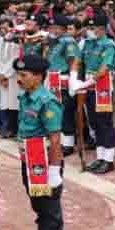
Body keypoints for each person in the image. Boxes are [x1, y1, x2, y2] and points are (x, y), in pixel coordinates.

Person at [14, 55, 65, 230]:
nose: (20, 79)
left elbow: (55, 138)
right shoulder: (26, 97)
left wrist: (54, 171)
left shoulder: (47, 101)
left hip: (45, 163)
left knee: (50, 208)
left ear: (37, 77)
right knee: (39, 206)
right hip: (31, 160)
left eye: (24, 75)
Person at [71, 14, 115, 174]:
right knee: (94, 122)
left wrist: (84, 83)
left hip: (102, 86)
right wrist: (73, 78)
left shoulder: (108, 45)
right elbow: (77, 60)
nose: (89, 31)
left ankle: (109, 159)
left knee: (105, 122)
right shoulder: (87, 43)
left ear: (103, 29)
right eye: (89, 28)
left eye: (92, 28)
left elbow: (104, 69)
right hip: (89, 85)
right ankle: (100, 157)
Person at [46, 15, 80, 156]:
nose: (53, 30)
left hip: (64, 78)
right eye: (52, 27)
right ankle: (59, 142)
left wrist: (72, 79)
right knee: (56, 111)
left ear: (63, 29)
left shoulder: (68, 41)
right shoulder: (56, 42)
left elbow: (73, 60)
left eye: (56, 28)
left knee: (66, 112)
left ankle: (68, 144)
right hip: (54, 78)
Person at [0, 19, 21, 138]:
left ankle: (15, 128)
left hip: (13, 77)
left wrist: (5, 75)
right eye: (1, 28)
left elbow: (15, 60)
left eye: (6, 28)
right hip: (1, 78)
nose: (3, 31)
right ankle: (7, 128)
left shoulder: (16, 43)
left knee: (15, 103)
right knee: (5, 104)